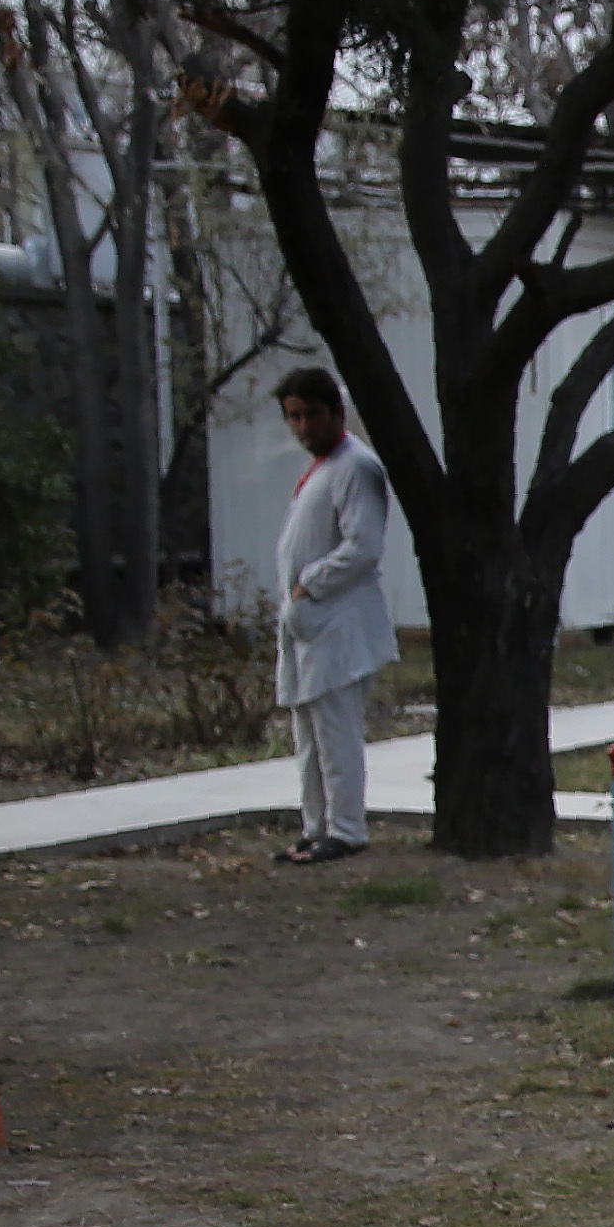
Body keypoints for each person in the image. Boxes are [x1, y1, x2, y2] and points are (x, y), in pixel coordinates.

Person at [267, 368, 398, 865]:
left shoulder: (356, 466)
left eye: (310, 414)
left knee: (336, 733)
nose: (302, 426)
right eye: (293, 417)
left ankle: (347, 828)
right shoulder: (321, 469)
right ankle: (315, 825)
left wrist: (310, 582)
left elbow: (362, 546)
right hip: (310, 626)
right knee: (309, 733)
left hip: (339, 623)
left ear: (336, 413)